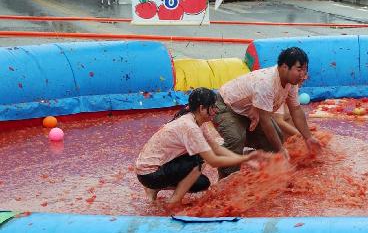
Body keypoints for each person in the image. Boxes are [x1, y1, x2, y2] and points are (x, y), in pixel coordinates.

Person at [135, 88, 257, 205]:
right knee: (200, 158)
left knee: (202, 183)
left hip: (150, 170)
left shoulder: (197, 122)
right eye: (213, 107)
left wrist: (242, 158)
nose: (216, 111)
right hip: (149, 174)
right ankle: (173, 201)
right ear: (202, 108)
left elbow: (217, 148)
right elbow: (213, 161)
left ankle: (154, 189)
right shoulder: (190, 126)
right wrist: (244, 159)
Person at [213, 47, 321, 177]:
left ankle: (265, 176)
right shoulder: (266, 83)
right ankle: (226, 181)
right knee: (236, 138)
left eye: (305, 70)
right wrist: (281, 150)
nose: (304, 75)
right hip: (226, 105)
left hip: (251, 111)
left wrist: (308, 138)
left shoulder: (291, 83)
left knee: (276, 139)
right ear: (285, 67)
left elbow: (296, 110)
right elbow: (265, 121)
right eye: (299, 70)